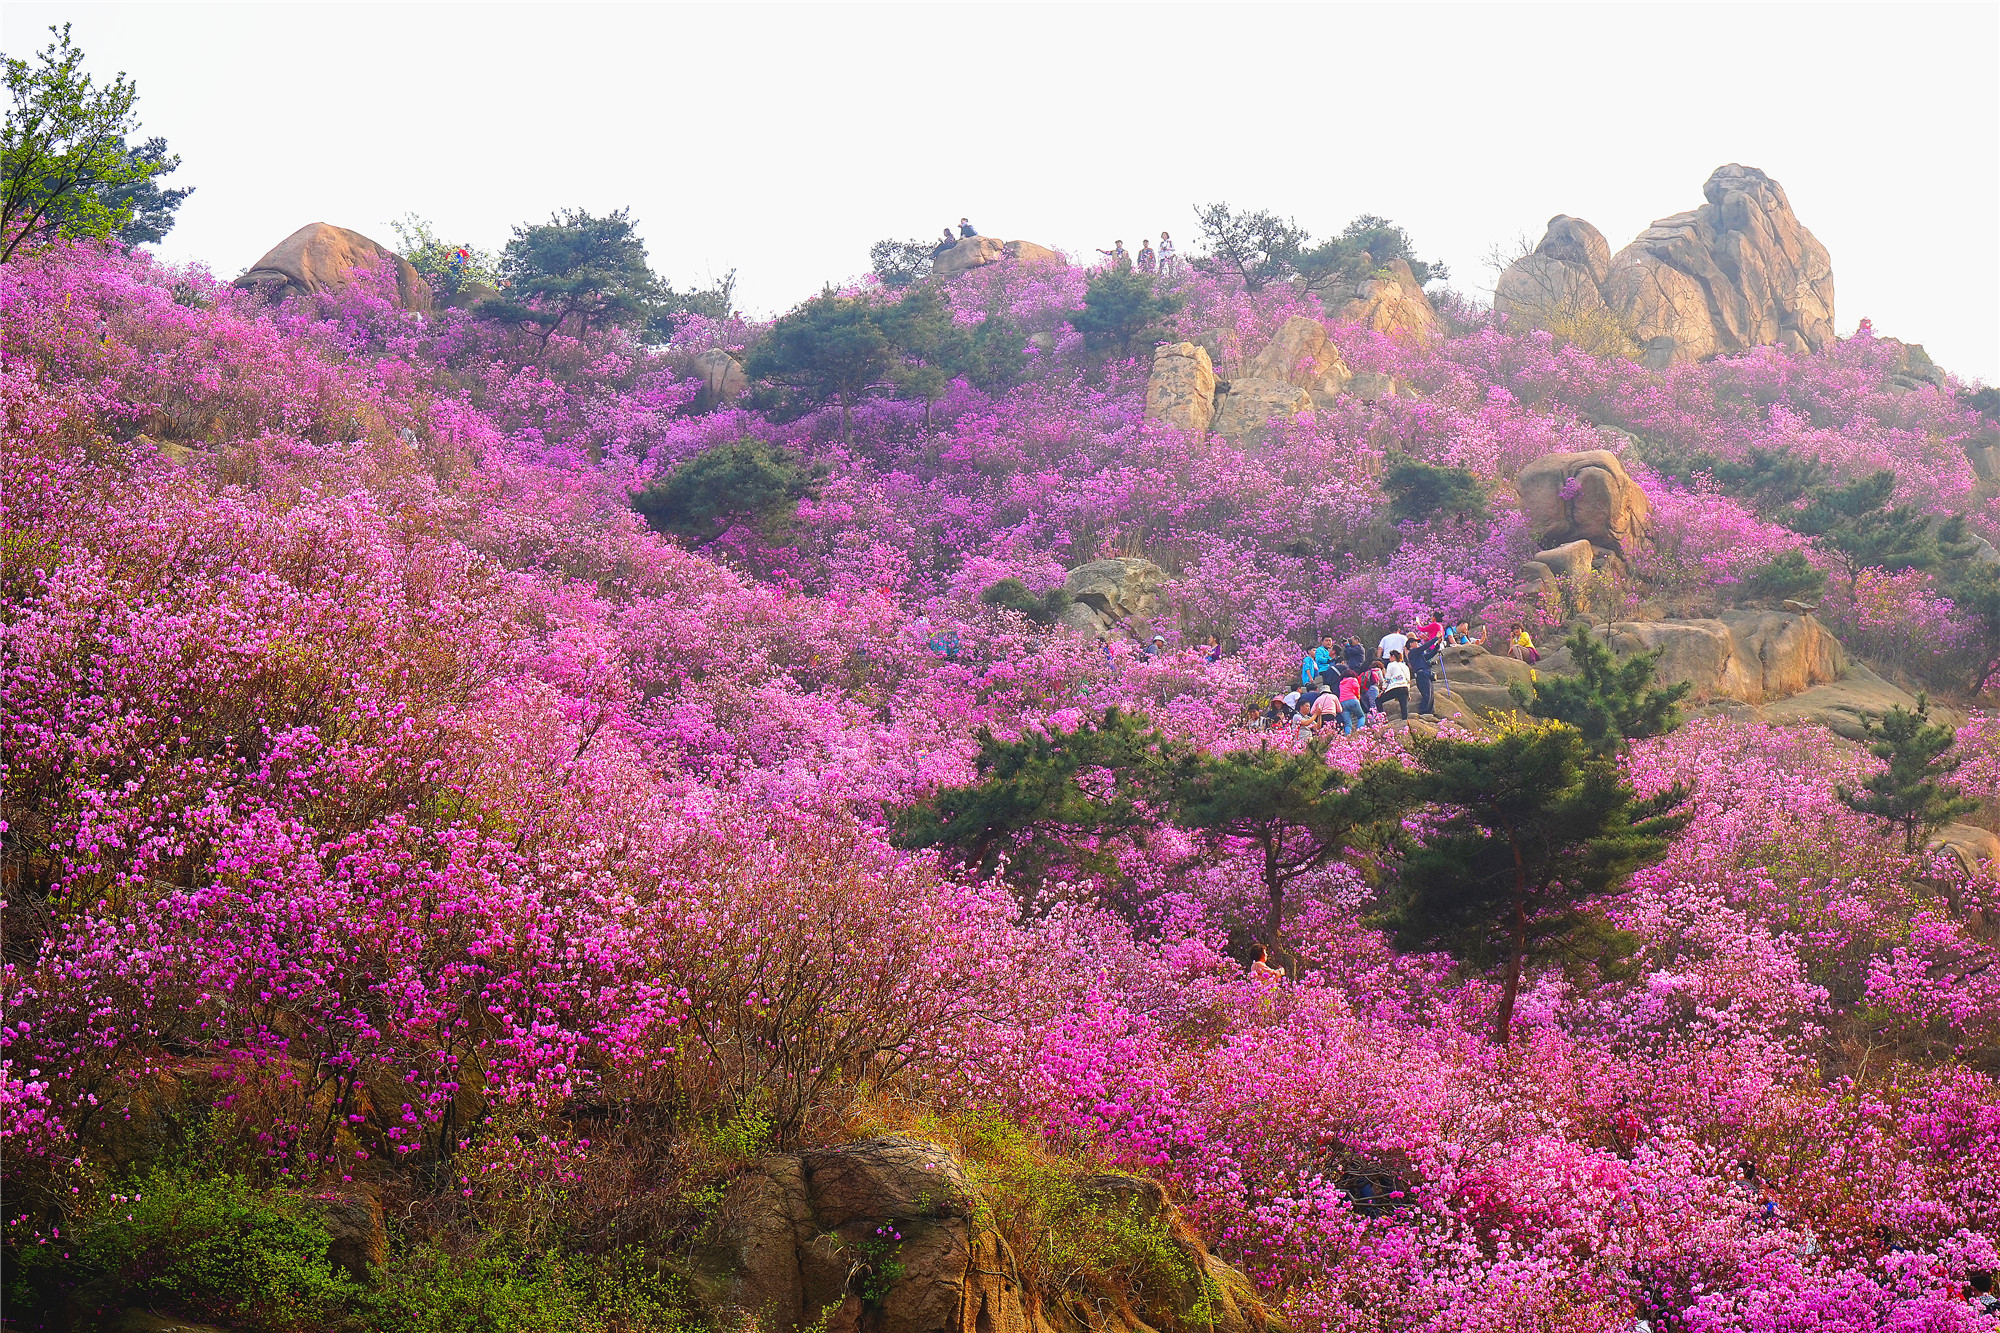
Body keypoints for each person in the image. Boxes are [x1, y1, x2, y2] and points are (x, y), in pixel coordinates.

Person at [1407, 634, 1441, 717]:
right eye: (1416, 642)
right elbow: (1424, 647)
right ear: (1411, 644)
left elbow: (1430, 654)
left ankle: (1428, 713)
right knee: (1427, 694)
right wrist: (1435, 638)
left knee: (1431, 694)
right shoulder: (1413, 653)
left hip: (1426, 674)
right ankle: (1423, 712)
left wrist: (1437, 645)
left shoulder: (1420, 656)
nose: (1418, 644)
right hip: (1421, 675)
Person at [1379, 651, 1412, 720]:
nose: (1389, 658)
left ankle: (1382, 719)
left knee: (1378, 700)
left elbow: (1387, 679)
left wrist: (1383, 690)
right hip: (1404, 687)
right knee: (1404, 706)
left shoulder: (1391, 665)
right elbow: (1408, 680)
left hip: (1395, 687)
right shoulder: (1405, 666)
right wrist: (1408, 692)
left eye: (1390, 656)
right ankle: (1405, 721)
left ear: (1393, 656)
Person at [1336, 670, 1366, 734]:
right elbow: (1356, 687)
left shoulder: (1341, 683)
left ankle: (1348, 736)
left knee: (1347, 723)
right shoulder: (1353, 679)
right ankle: (1359, 731)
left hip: (1342, 702)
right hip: (1352, 699)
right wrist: (1358, 695)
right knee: (1361, 716)